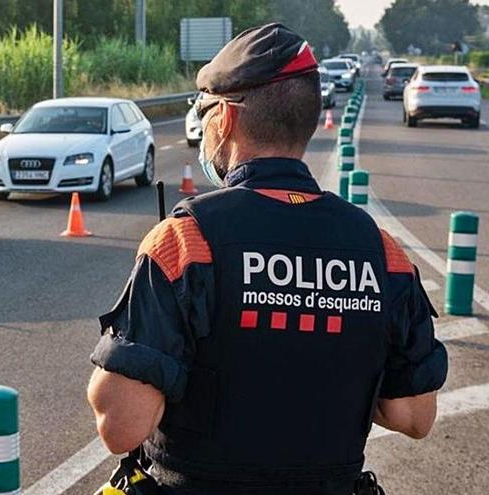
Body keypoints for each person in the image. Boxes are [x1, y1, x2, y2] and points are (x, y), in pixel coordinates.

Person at [87, 23, 447, 495]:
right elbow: (414, 416)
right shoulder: (382, 251)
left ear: (227, 119)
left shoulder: (186, 241)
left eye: (206, 110)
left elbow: (120, 426)